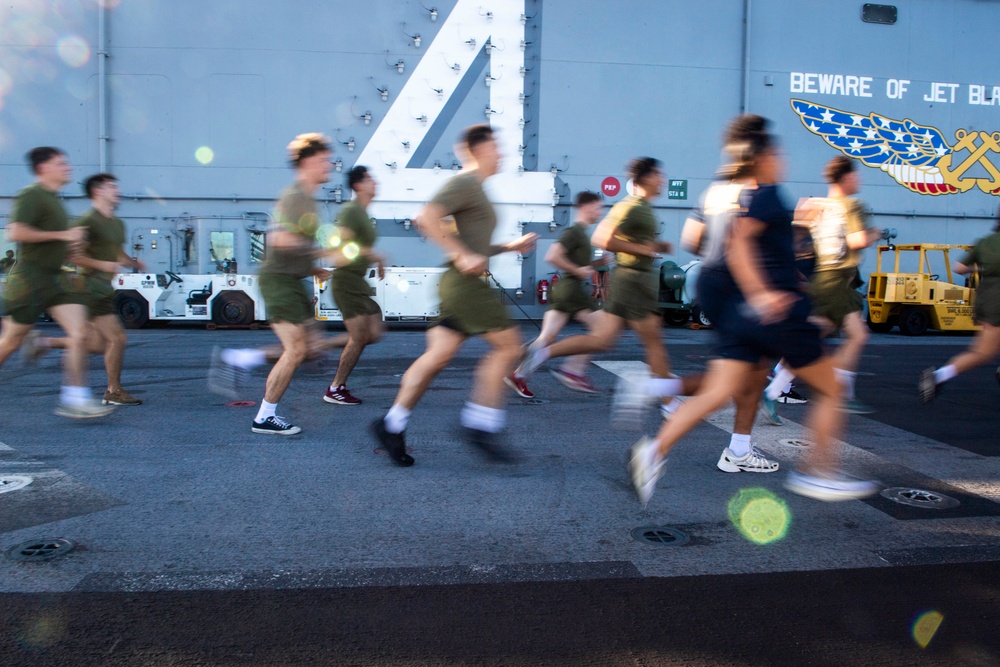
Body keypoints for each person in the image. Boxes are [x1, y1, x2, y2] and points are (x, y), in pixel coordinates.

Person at [627, 115, 878, 504]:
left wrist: (766, 284)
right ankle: (819, 472)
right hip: (777, 313)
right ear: (763, 156)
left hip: (742, 313)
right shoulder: (768, 195)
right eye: (777, 152)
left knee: (720, 390)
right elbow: (741, 246)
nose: (782, 158)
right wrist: (765, 293)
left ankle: (654, 450)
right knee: (830, 390)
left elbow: (725, 244)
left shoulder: (735, 195)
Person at [370, 124, 538, 466]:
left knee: (438, 357)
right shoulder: (465, 182)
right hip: (465, 285)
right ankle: (480, 423)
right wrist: (462, 255)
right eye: (496, 147)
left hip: (455, 282)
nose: (501, 153)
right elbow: (426, 217)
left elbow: (474, 244)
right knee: (509, 347)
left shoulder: (477, 189)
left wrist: (509, 246)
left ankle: (392, 424)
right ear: (477, 151)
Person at [512, 157, 699, 418]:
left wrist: (653, 248)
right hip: (633, 282)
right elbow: (604, 237)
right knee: (654, 342)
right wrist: (645, 249)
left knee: (602, 340)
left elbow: (622, 242)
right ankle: (669, 403)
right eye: (658, 174)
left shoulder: (641, 206)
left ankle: (541, 354)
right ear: (645, 178)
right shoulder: (632, 206)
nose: (663, 180)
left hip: (632, 281)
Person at [209, 133, 343, 435]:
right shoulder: (295, 197)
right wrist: (321, 253)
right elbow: (279, 239)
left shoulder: (307, 199)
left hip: (294, 280)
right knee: (296, 350)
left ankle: (241, 358)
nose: (329, 165)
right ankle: (264, 417)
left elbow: (292, 245)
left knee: (311, 349)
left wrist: (312, 268)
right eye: (324, 159)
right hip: (279, 281)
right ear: (307, 162)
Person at [0, 147, 114, 418]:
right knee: (12, 341)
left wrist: (74, 247)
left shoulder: (54, 200)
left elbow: (59, 241)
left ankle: (75, 399)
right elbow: (15, 231)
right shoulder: (32, 195)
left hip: (57, 278)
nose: (68, 167)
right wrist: (64, 234)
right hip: (30, 278)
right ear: (44, 168)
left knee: (80, 333)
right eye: (61, 163)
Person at [765, 156, 880, 413]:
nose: (859, 179)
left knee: (814, 336)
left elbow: (795, 228)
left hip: (822, 277)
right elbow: (857, 240)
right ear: (846, 177)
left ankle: (773, 388)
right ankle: (841, 392)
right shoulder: (852, 205)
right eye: (856, 175)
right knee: (858, 335)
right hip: (839, 279)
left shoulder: (819, 206)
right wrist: (875, 233)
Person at [23, 173, 147, 406]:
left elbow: (116, 251)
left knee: (98, 344)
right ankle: (113, 391)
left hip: (104, 288)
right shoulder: (86, 221)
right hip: (89, 289)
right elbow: (72, 256)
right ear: (97, 191)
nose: (117, 190)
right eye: (112, 186)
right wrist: (103, 265)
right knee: (117, 339)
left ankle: (44, 343)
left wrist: (132, 262)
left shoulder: (118, 223)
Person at [505, 190, 606, 397]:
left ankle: (519, 374)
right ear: (586, 208)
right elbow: (553, 256)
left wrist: (596, 264)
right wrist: (578, 270)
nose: (600, 212)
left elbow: (578, 264)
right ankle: (573, 370)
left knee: (547, 337)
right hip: (572, 290)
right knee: (602, 332)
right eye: (597, 207)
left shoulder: (581, 233)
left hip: (564, 290)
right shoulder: (575, 232)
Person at [919, 209, 1000, 401]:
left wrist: (983, 267)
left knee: (983, 350)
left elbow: (959, 268)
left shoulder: (985, 242)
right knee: (983, 353)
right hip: (997, 303)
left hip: (985, 300)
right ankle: (938, 376)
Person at [323, 165, 385, 406]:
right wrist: (374, 254)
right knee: (359, 338)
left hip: (358, 283)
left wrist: (374, 258)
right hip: (346, 282)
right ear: (358, 185)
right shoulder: (350, 212)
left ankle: (321, 345)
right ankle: (335, 388)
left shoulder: (363, 213)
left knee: (375, 333)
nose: (375, 183)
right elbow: (337, 248)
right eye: (370, 179)